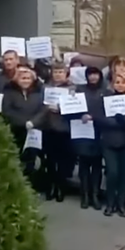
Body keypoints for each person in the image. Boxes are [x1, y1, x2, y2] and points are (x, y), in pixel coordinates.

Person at [94, 73, 125, 217]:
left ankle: (121, 203)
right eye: (117, 82)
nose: (120, 85)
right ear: (112, 84)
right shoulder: (105, 99)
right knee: (112, 173)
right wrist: (114, 122)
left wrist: (124, 120)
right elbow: (99, 118)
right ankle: (110, 203)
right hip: (109, 141)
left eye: (123, 82)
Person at [1, 67, 46, 186]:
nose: (25, 81)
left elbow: (43, 109)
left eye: (28, 78)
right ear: (17, 79)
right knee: (16, 158)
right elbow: (7, 111)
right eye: (23, 78)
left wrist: (33, 122)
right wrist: (24, 123)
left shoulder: (39, 92)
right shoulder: (9, 91)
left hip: (34, 131)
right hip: (16, 130)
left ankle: (30, 184)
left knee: (31, 159)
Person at [38, 62, 76, 202]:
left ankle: (61, 188)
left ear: (66, 73)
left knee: (63, 161)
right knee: (50, 160)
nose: (58, 75)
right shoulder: (46, 88)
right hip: (48, 127)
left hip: (64, 129)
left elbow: (75, 107)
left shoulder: (73, 88)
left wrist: (62, 109)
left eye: (61, 72)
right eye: (55, 72)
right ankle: (50, 187)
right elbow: (40, 105)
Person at [74, 66, 106, 210]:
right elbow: (73, 108)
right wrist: (81, 115)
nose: (93, 77)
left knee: (97, 167)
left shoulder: (106, 91)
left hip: (99, 132)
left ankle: (95, 195)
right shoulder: (80, 90)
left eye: (95, 74)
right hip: (82, 132)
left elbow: (108, 111)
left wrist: (95, 117)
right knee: (84, 166)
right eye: (90, 75)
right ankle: (85, 195)